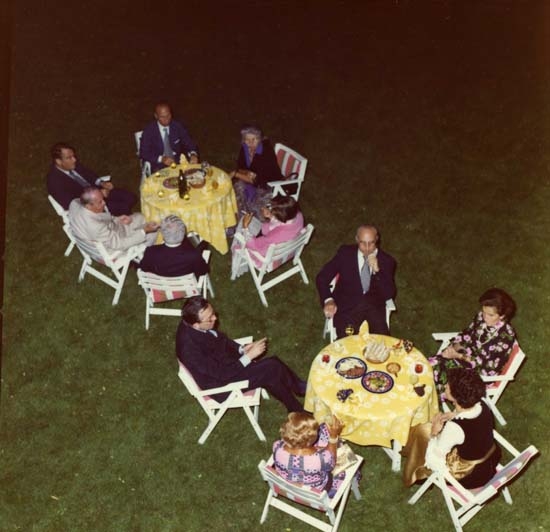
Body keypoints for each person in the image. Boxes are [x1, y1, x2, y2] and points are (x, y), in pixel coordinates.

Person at [176, 296, 306, 412]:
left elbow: (220, 339)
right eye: (210, 318)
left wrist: (241, 349)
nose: (215, 318)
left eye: (213, 313)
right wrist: (248, 357)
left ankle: (296, 405)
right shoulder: (189, 350)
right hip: (222, 384)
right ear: (196, 325)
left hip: (226, 364)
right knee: (272, 366)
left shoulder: (193, 323)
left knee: (271, 371)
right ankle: (299, 394)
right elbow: (221, 373)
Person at [403, 368, 501, 489]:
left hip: (471, 475)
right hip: (489, 459)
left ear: (456, 397)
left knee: (423, 431)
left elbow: (434, 462)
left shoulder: (454, 428)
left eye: (448, 386)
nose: (445, 386)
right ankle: (411, 450)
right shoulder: (481, 405)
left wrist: (434, 433)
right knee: (424, 431)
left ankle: (418, 474)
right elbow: (473, 427)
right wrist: (454, 415)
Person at [429, 288, 517, 401]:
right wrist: (453, 347)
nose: (485, 317)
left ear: (502, 315)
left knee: (437, 382)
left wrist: (458, 356)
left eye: (490, 315)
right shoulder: (481, 317)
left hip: (479, 374)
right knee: (428, 366)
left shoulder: (505, 337)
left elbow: (486, 367)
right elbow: (466, 334)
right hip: (463, 358)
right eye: (484, 312)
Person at [315, 224, 396, 337]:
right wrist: (328, 300)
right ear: (357, 239)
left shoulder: (387, 261)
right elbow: (322, 277)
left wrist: (377, 271)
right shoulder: (345, 254)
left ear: (377, 239)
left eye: (371, 243)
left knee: (382, 343)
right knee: (346, 343)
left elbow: (389, 294)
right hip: (347, 308)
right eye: (363, 243)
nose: (367, 248)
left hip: (374, 309)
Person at [46, 142, 136, 216]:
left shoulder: (71, 164)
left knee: (131, 197)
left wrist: (101, 183)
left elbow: (89, 174)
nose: (74, 160)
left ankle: (121, 215)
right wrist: (97, 196)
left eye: (73, 156)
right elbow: (71, 204)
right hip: (91, 206)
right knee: (123, 207)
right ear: (58, 161)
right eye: (69, 158)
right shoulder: (54, 181)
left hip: (98, 191)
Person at [272, 413, 348, 497]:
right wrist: (333, 437)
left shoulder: (277, 446)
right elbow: (332, 463)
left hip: (286, 487)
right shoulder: (322, 458)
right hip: (315, 492)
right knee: (341, 464)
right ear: (313, 438)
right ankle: (335, 491)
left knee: (323, 429)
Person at [230, 196, 304, 279]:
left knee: (241, 227)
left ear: (282, 216)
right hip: (289, 250)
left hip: (266, 257)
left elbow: (254, 245)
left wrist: (245, 227)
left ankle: (237, 268)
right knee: (250, 223)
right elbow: (269, 229)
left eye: (274, 211)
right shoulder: (298, 215)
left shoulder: (277, 234)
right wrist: (271, 217)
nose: (271, 210)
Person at [68, 187, 158, 254]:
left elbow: (101, 219)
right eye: (100, 202)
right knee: (153, 233)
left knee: (140, 217)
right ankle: (145, 255)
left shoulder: (74, 203)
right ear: (88, 206)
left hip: (109, 231)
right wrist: (144, 231)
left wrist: (117, 219)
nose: (104, 203)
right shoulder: (95, 227)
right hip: (114, 247)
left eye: (103, 199)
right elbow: (119, 244)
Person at [230, 124, 283, 219]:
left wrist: (235, 174)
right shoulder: (245, 148)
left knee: (256, 206)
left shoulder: (265, 153)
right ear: (243, 140)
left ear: (259, 139)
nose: (250, 143)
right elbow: (240, 166)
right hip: (254, 180)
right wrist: (246, 173)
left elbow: (258, 180)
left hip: (269, 184)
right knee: (236, 190)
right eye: (247, 139)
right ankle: (240, 216)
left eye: (254, 139)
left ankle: (255, 222)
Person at [139, 215, 209, 278]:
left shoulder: (151, 251)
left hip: (160, 286)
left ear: (163, 233)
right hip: (186, 287)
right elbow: (203, 271)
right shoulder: (193, 255)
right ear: (182, 233)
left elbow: (144, 268)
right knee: (202, 245)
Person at [139, 102, 199, 172]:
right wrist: (161, 159)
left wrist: (193, 154)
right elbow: (144, 153)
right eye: (162, 117)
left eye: (168, 115)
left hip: (177, 162)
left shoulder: (177, 126)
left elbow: (189, 143)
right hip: (157, 165)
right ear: (156, 116)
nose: (166, 119)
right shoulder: (149, 131)